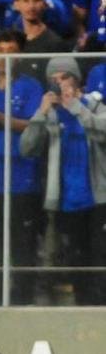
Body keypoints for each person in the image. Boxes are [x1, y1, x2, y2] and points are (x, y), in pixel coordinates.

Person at [21, 57, 106, 305]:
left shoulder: (95, 105)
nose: (59, 85)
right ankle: (81, 313)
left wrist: (76, 107)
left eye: (64, 78)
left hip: (99, 198)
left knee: (100, 260)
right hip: (65, 202)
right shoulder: (50, 114)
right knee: (75, 263)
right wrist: (40, 113)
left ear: (77, 80)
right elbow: (27, 147)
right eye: (54, 80)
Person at [0, 31, 44, 304]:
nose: (3, 56)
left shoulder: (30, 86)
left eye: (10, 50)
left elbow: (35, 124)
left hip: (22, 178)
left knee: (22, 244)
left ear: (20, 55)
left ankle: (23, 298)